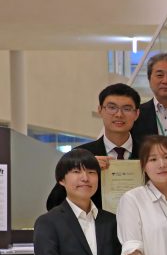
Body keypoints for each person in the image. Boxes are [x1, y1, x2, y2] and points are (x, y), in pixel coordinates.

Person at [45, 83, 141, 211]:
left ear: (137, 113)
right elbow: (54, 204)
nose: (119, 114)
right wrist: (85, 170)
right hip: (94, 229)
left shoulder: (148, 155)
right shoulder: (82, 155)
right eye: (112, 107)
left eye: (127, 108)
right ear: (100, 110)